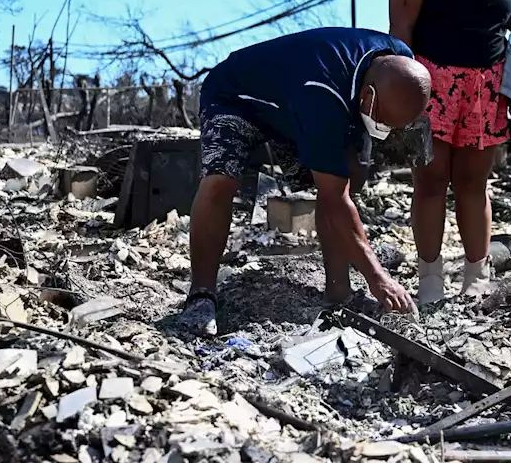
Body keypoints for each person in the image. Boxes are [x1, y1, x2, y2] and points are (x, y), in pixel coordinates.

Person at [178, 27, 432, 335]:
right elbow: (334, 198)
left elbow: (341, 186)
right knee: (221, 180)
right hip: (235, 97)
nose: (385, 130)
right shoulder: (323, 93)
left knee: (345, 178)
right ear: (369, 94)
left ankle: (339, 292)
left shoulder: (400, 62)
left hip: (295, 99)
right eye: (383, 121)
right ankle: (201, 295)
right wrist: (379, 277)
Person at [387, 0, 511, 305]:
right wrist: (403, 94)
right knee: (430, 180)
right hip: (430, 81)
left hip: (486, 86)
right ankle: (430, 278)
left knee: (474, 182)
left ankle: (476, 275)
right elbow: (401, 28)